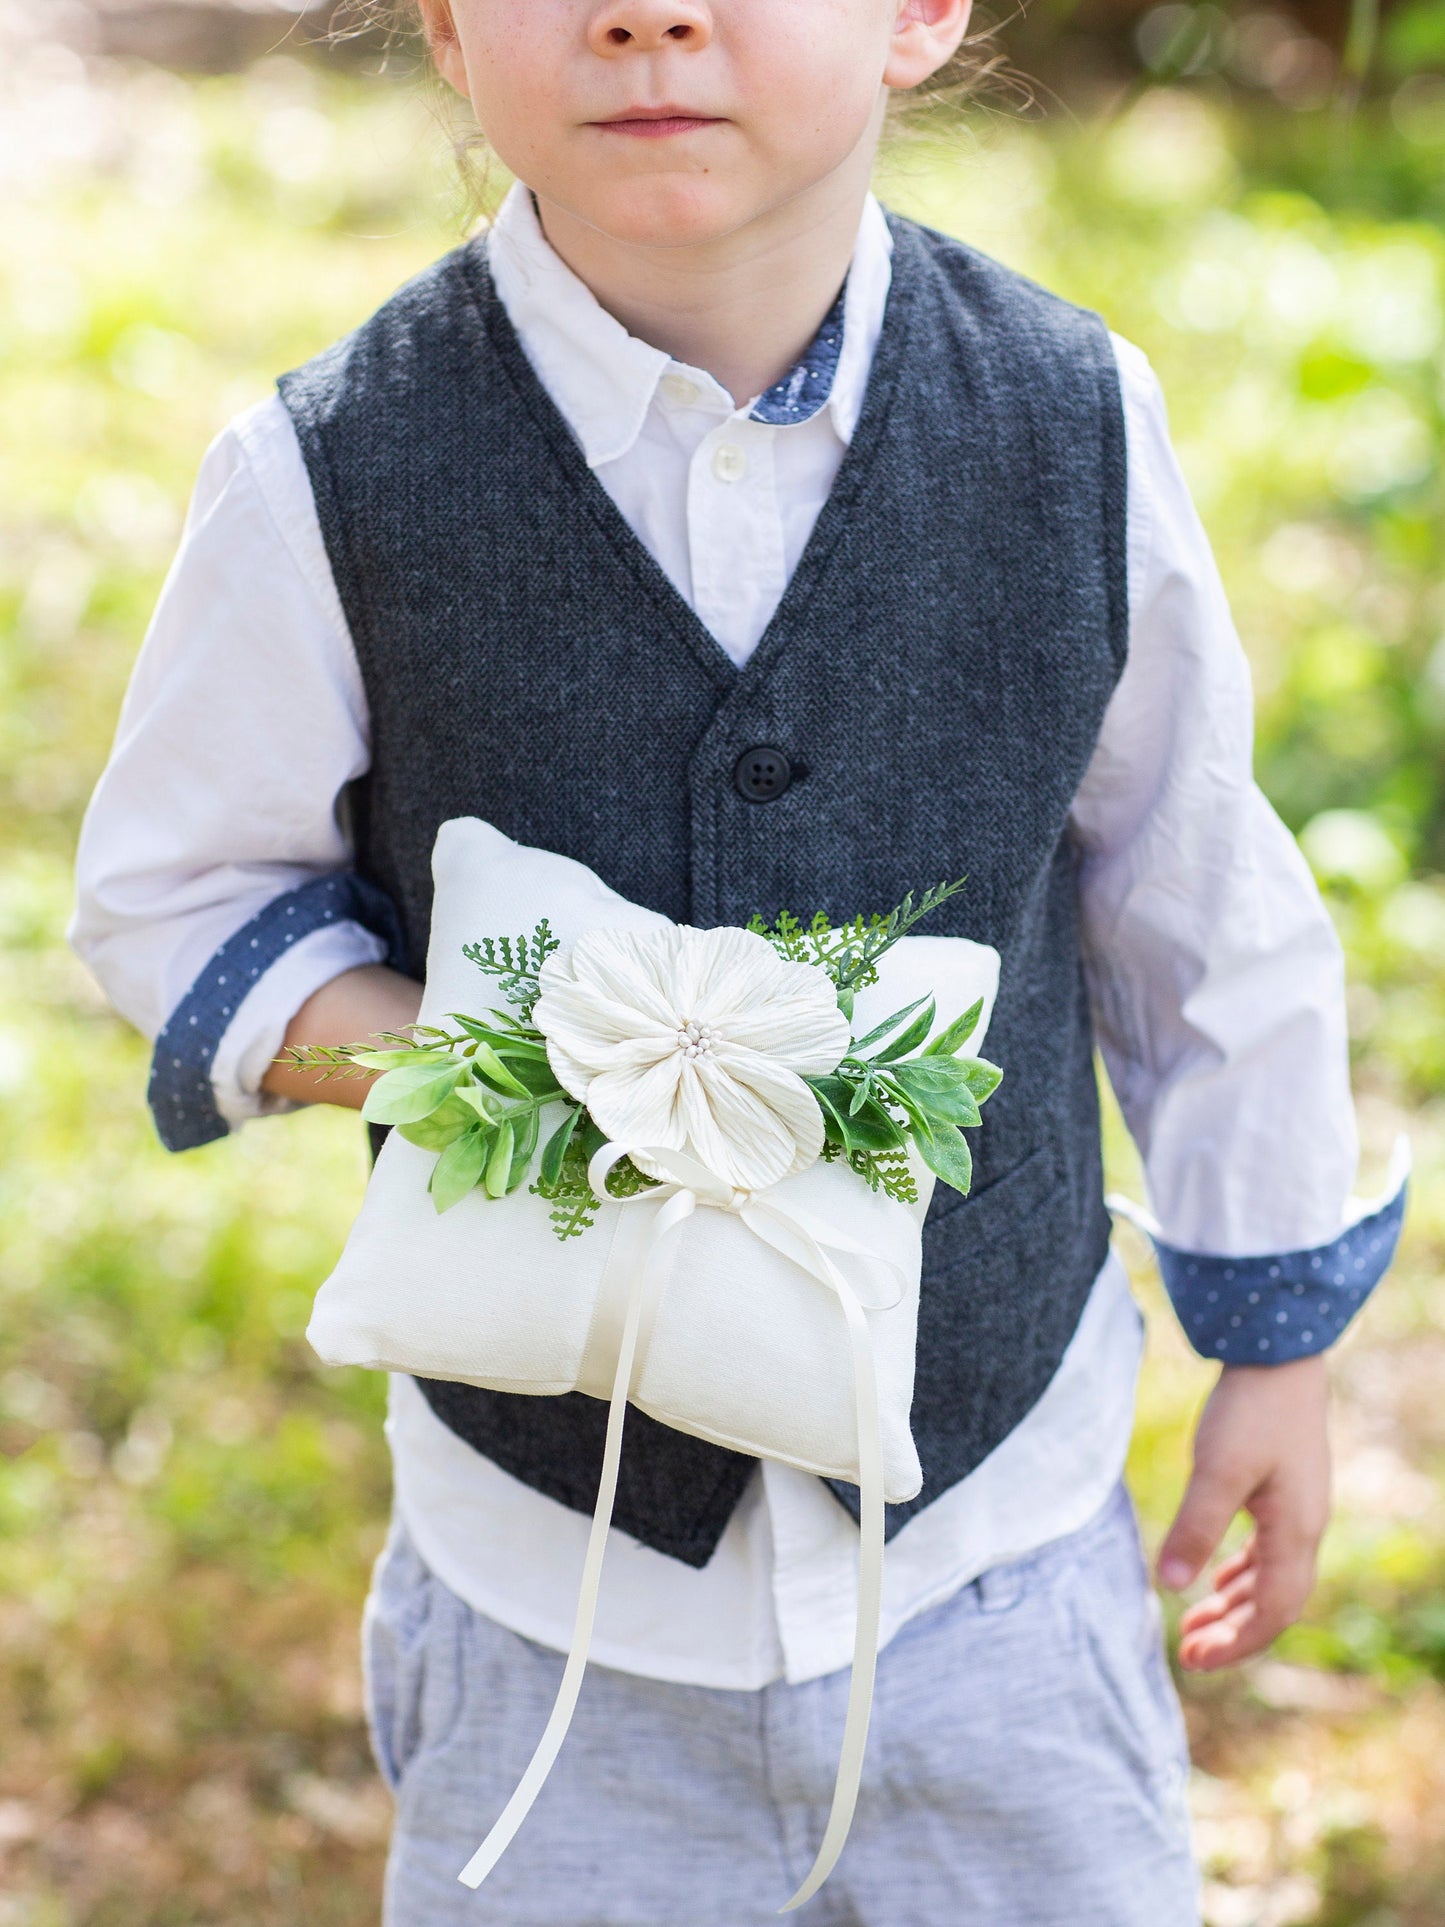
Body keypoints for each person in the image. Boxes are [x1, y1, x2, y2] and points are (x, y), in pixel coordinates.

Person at [71, 3, 1407, 1923]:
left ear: (918, 13)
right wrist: (498, 1069)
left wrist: (1271, 1347)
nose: (645, 13)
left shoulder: (1065, 418)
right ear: (448, 27)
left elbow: (1195, 901)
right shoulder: (331, 470)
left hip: (993, 1564)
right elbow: (178, 892)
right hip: (551, 1602)